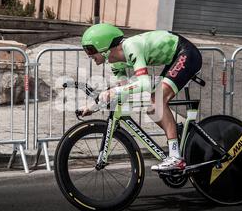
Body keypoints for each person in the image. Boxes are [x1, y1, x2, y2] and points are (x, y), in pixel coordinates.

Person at [79, 23, 202, 171]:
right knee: (152, 109)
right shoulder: (115, 63)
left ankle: (175, 157)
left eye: (90, 49)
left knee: (157, 100)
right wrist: (93, 107)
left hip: (186, 53)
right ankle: (176, 133)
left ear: (104, 46)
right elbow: (122, 91)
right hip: (174, 58)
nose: (89, 55)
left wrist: (115, 92)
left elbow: (144, 84)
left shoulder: (131, 46)